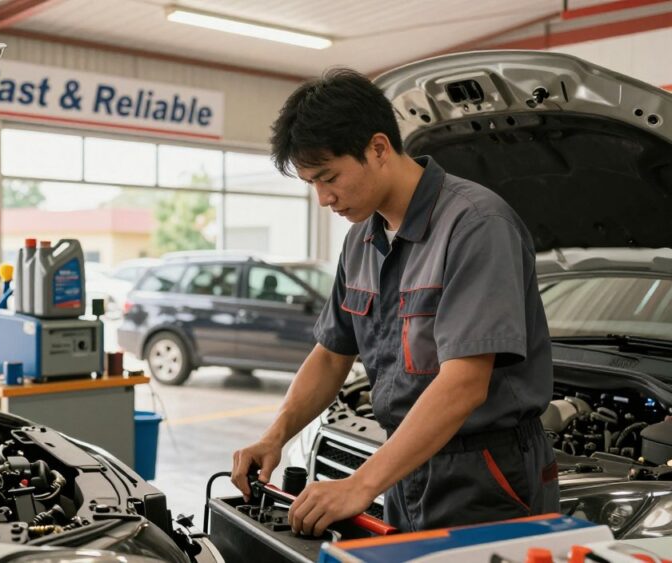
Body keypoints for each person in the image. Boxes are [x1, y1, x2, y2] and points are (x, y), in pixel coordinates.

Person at [231, 68, 558, 536]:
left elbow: (464, 383)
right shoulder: (361, 239)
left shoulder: (475, 225)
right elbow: (330, 355)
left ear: (379, 148)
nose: (324, 199)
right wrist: (275, 435)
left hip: (488, 474)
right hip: (407, 464)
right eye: (312, 185)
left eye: (329, 178)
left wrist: (360, 484)